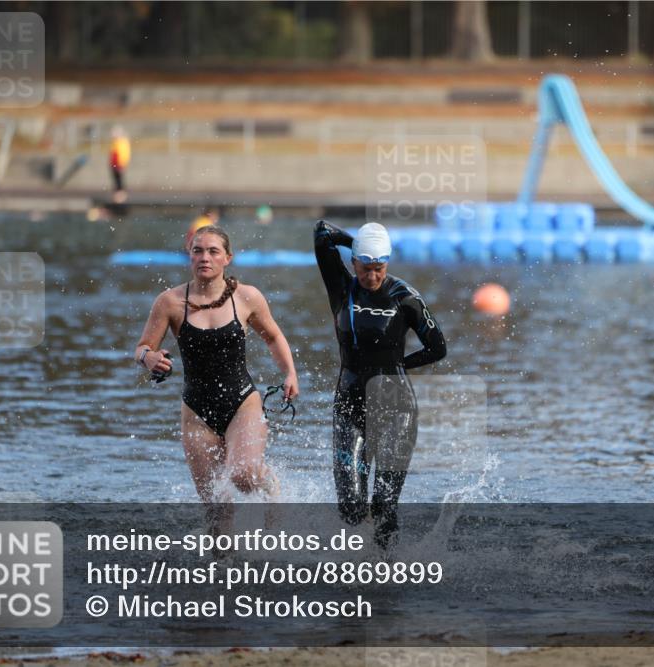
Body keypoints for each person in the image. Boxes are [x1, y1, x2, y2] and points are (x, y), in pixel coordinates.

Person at [135, 225, 298, 509]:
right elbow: (141, 348)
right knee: (214, 504)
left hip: (242, 402)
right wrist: (147, 357)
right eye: (198, 251)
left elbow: (273, 336)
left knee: (243, 475)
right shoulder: (170, 302)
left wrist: (290, 373)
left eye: (213, 251)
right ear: (190, 256)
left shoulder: (246, 297)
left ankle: (269, 483)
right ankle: (225, 555)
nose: (205, 258)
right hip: (196, 411)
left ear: (227, 258)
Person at [314, 220, 447, 549]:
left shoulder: (405, 296)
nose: (372, 276)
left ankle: (386, 572)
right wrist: (354, 240)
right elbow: (322, 233)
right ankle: (364, 557)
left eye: (379, 268)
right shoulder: (341, 289)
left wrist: (401, 365)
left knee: (385, 503)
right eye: (365, 267)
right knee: (351, 507)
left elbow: (438, 347)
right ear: (354, 261)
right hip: (350, 406)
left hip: (396, 409)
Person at [109, 126, 131, 203]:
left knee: (119, 180)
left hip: (118, 165)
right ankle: (119, 196)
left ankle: (121, 197)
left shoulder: (122, 142)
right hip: (115, 164)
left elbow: (123, 155)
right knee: (117, 180)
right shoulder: (116, 142)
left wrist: (122, 165)